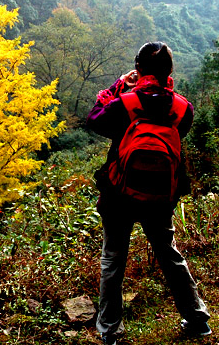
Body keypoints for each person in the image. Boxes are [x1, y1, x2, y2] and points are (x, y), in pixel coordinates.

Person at [86, 42, 211, 345]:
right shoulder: (183, 108)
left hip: (119, 194)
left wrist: (119, 86)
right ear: (170, 72)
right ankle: (197, 319)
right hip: (160, 196)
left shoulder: (125, 103)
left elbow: (94, 119)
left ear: (138, 69)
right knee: (169, 254)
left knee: (113, 259)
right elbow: (176, 134)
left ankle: (110, 332)